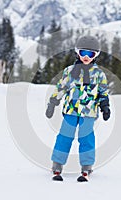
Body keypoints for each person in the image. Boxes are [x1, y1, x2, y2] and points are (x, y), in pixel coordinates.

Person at [45, 35, 110, 182]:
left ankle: (87, 165)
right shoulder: (69, 71)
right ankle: (57, 163)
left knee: (86, 138)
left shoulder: (99, 74)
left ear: (96, 55)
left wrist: (105, 106)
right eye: (83, 53)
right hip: (70, 111)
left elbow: (103, 92)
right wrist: (53, 102)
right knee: (64, 136)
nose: (86, 57)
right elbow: (61, 87)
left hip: (89, 112)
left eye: (90, 54)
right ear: (77, 53)